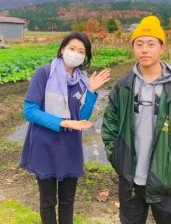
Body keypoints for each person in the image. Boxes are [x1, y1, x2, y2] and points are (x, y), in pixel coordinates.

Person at [101, 15, 171, 224]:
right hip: (131, 179)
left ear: (162, 48)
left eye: (151, 44)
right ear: (133, 48)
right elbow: (109, 128)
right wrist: (119, 160)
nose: (144, 49)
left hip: (165, 180)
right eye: (139, 44)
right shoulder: (123, 87)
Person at [20, 32, 110, 224]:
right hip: (44, 144)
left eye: (81, 51)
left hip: (70, 146)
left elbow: (82, 117)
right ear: (62, 50)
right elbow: (30, 111)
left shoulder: (83, 80)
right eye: (72, 48)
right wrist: (64, 122)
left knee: (68, 201)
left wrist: (92, 90)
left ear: (85, 57)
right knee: (48, 201)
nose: (75, 54)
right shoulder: (44, 74)